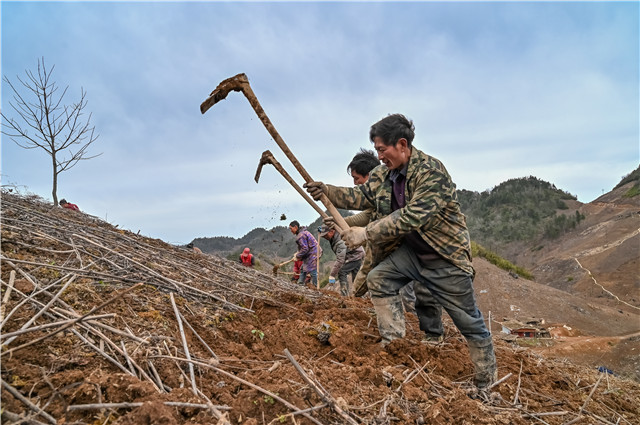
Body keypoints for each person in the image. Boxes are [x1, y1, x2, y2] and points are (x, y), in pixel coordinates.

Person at [305, 113, 497, 390]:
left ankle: (486, 382)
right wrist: (327, 191)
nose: (379, 156)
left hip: (443, 257)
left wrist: (366, 233)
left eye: (382, 150)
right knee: (379, 279)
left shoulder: (431, 172)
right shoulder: (385, 174)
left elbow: (411, 216)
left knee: (469, 322)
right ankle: (392, 343)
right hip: (413, 254)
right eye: (377, 151)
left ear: (402, 145)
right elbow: (361, 197)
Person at [346, 149, 444, 342]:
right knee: (384, 282)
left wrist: (352, 296)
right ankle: (396, 337)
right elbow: (367, 215)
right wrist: (343, 222)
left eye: (357, 178)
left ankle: (432, 334)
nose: (355, 184)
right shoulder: (375, 194)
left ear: (370, 175)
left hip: (419, 247)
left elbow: (371, 257)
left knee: (423, 291)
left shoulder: (394, 186)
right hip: (402, 252)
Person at [318, 225, 365, 296]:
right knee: (355, 277)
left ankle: (345, 294)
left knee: (342, 272)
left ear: (332, 231)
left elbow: (340, 260)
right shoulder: (334, 236)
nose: (325, 237)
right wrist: (321, 230)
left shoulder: (340, 241)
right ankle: (359, 296)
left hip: (355, 255)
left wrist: (332, 275)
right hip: (357, 254)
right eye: (323, 236)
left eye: (326, 235)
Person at [289, 220, 319, 286]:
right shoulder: (303, 232)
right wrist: (298, 254)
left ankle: (315, 286)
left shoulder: (301, 235)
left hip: (313, 253)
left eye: (291, 228)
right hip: (311, 252)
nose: (291, 230)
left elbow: (305, 249)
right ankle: (300, 284)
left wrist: (297, 255)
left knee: (313, 270)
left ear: (296, 227)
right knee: (303, 268)